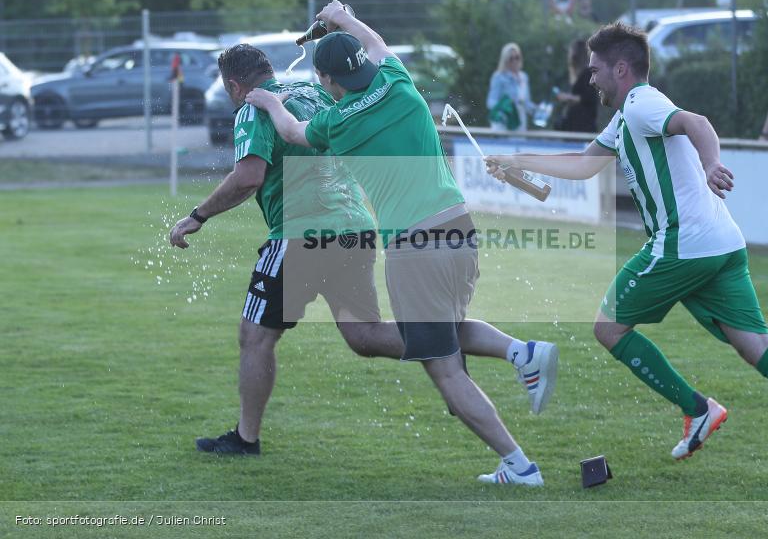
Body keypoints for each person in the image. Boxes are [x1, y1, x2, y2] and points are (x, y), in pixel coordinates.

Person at [486, 22, 768, 481]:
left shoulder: (642, 104)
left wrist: (712, 162)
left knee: (608, 328)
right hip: (722, 244)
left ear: (621, 69)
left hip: (682, 244)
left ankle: (698, 409)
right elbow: (581, 166)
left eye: (596, 71)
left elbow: (697, 124)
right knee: (758, 347)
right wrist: (514, 161)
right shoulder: (623, 119)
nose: (590, 79)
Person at [168, 44, 555, 457]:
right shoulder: (315, 94)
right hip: (355, 228)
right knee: (363, 335)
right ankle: (465, 346)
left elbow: (248, 176)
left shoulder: (253, 107)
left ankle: (246, 438)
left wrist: (199, 215)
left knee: (255, 336)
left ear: (233, 85)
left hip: (301, 235)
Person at [486, 43, 535, 132]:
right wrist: (504, 107)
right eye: (511, 58)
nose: (514, 61)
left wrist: (537, 110)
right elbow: (491, 102)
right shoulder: (499, 77)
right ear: (505, 60)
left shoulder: (524, 77)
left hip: (520, 122)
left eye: (517, 57)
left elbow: (526, 103)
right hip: (504, 124)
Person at [555, 38, 599, 133]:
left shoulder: (587, 74)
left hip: (583, 126)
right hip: (576, 125)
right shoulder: (582, 75)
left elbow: (588, 98)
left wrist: (567, 97)